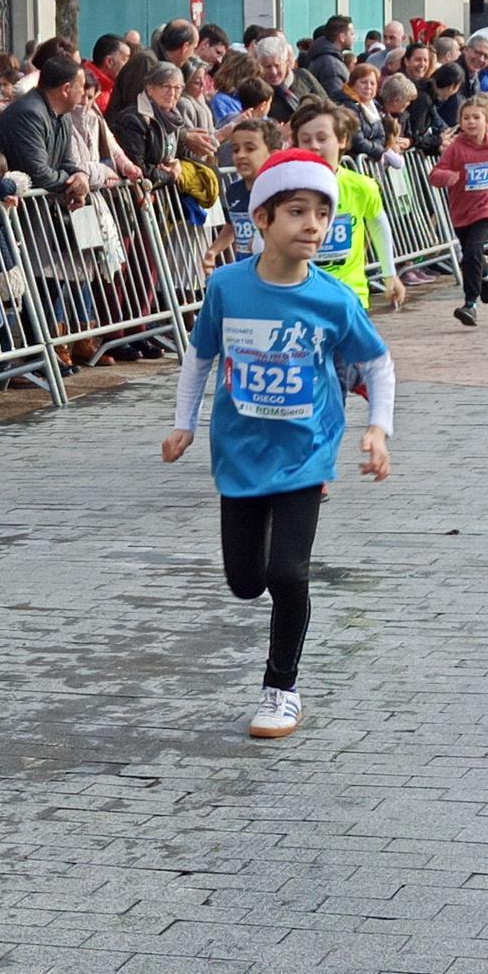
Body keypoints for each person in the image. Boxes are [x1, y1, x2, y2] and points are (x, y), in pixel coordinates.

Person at [162, 147, 395, 740]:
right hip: (239, 452)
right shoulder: (227, 286)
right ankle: (263, 571)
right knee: (246, 582)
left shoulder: (334, 298)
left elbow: (377, 361)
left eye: (322, 211)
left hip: (304, 453)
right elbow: (200, 356)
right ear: (262, 219)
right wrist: (184, 421)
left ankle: (281, 689)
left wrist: (377, 427)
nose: (313, 224)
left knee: (287, 574)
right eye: (297, 211)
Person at [289, 98, 405, 313]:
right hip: (302, 296)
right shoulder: (286, 189)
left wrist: (390, 274)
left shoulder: (362, 186)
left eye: (322, 138)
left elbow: (379, 226)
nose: (314, 145)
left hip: (350, 296)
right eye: (306, 139)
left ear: (342, 140)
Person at [428, 96, 488, 326]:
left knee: (473, 251)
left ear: (487, 120)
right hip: (461, 211)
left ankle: (470, 304)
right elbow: (435, 174)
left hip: (486, 208)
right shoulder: (456, 149)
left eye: (476, 117)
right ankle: (487, 274)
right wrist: (448, 177)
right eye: (466, 118)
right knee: (470, 257)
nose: (471, 122)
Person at [0, 50, 90, 202]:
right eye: (82, 86)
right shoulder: (29, 113)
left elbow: (66, 163)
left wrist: (80, 175)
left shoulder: (63, 115)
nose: (84, 93)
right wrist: (74, 184)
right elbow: (39, 174)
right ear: (66, 89)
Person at [207, 117, 280, 271]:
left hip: (275, 273)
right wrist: (213, 250)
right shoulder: (234, 191)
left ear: (273, 155)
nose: (240, 155)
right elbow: (233, 225)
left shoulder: (281, 193)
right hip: (246, 271)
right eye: (235, 149)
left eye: (250, 148)